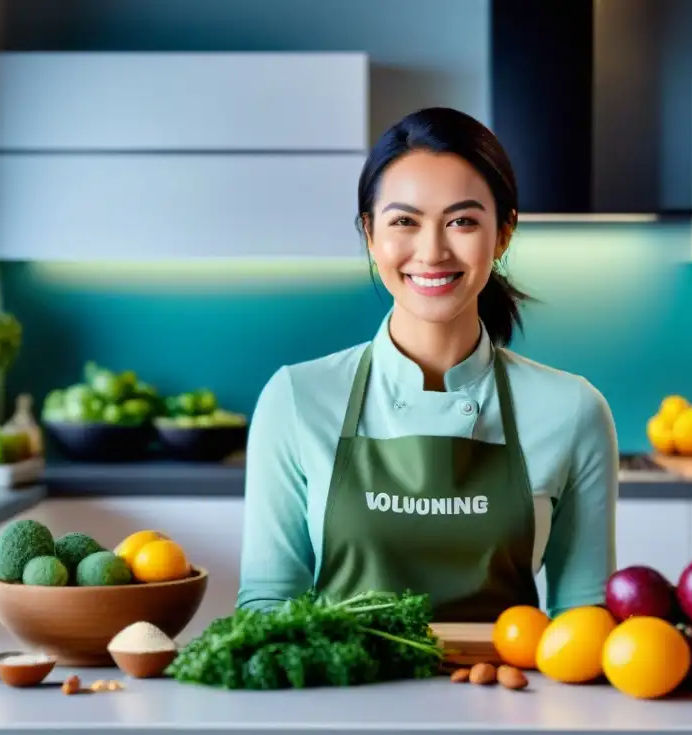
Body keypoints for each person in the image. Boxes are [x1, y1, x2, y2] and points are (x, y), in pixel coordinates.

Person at [237, 106, 618, 622]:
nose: (433, 250)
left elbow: (585, 621)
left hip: (506, 696)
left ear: (503, 234)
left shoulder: (573, 410)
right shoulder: (296, 400)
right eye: (404, 222)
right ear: (370, 235)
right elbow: (265, 608)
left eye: (462, 221)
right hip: (344, 696)